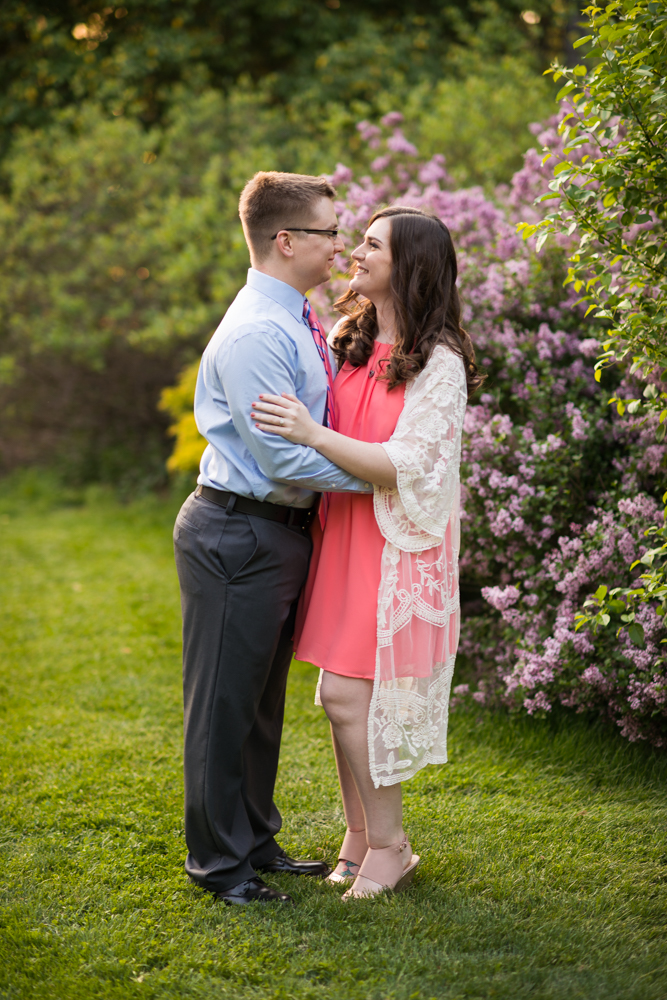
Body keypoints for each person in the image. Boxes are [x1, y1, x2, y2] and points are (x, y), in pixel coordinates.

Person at [252, 206, 483, 899]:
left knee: (352, 697)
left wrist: (310, 435)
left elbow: (408, 466)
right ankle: (358, 838)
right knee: (335, 695)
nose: (355, 252)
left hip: (393, 546)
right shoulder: (349, 339)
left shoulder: (438, 363)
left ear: (407, 265)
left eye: (371, 245)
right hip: (342, 537)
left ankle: (390, 846)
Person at [173, 171, 374, 906]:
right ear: (285, 240)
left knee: (259, 702)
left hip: (274, 531)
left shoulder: (293, 314)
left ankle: (254, 839)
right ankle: (219, 867)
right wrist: (385, 479)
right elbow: (280, 457)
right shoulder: (260, 329)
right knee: (223, 705)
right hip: (238, 532)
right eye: (328, 231)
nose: (338, 245)